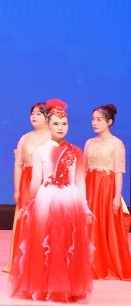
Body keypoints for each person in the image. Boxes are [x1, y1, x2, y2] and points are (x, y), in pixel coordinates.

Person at [10, 100, 93, 302]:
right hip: (46, 200)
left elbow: (79, 181)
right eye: (56, 123)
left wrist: (85, 206)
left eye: (64, 124)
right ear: (48, 124)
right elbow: (35, 181)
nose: (60, 128)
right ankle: (43, 286)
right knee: (45, 244)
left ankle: (67, 287)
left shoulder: (75, 151)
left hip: (70, 201)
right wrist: (28, 205)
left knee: (67, 243)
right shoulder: (40, 151)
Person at [4, 102, 54, 273]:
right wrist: (17, 189)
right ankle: (22, 260)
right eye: (32, 113)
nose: (34, 116)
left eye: (38, 114)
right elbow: (18, 165)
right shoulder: (25, 138)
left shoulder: (53, 138)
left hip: (46, 183)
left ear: (47, 117)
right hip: (27, 182)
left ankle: (44, 260)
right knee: (25, 219)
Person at [85, 104, 131, 280]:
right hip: (90, 187)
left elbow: (118, 172)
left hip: (106, 188)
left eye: (99, 119)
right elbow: (84, 170)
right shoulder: (89, 143)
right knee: (89, 223)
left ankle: (105, 263)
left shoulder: (116, 144)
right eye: (93, 119)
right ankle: (88, 263)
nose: (95, 123)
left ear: (109, 122)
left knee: (106, 224)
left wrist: (116, 197)